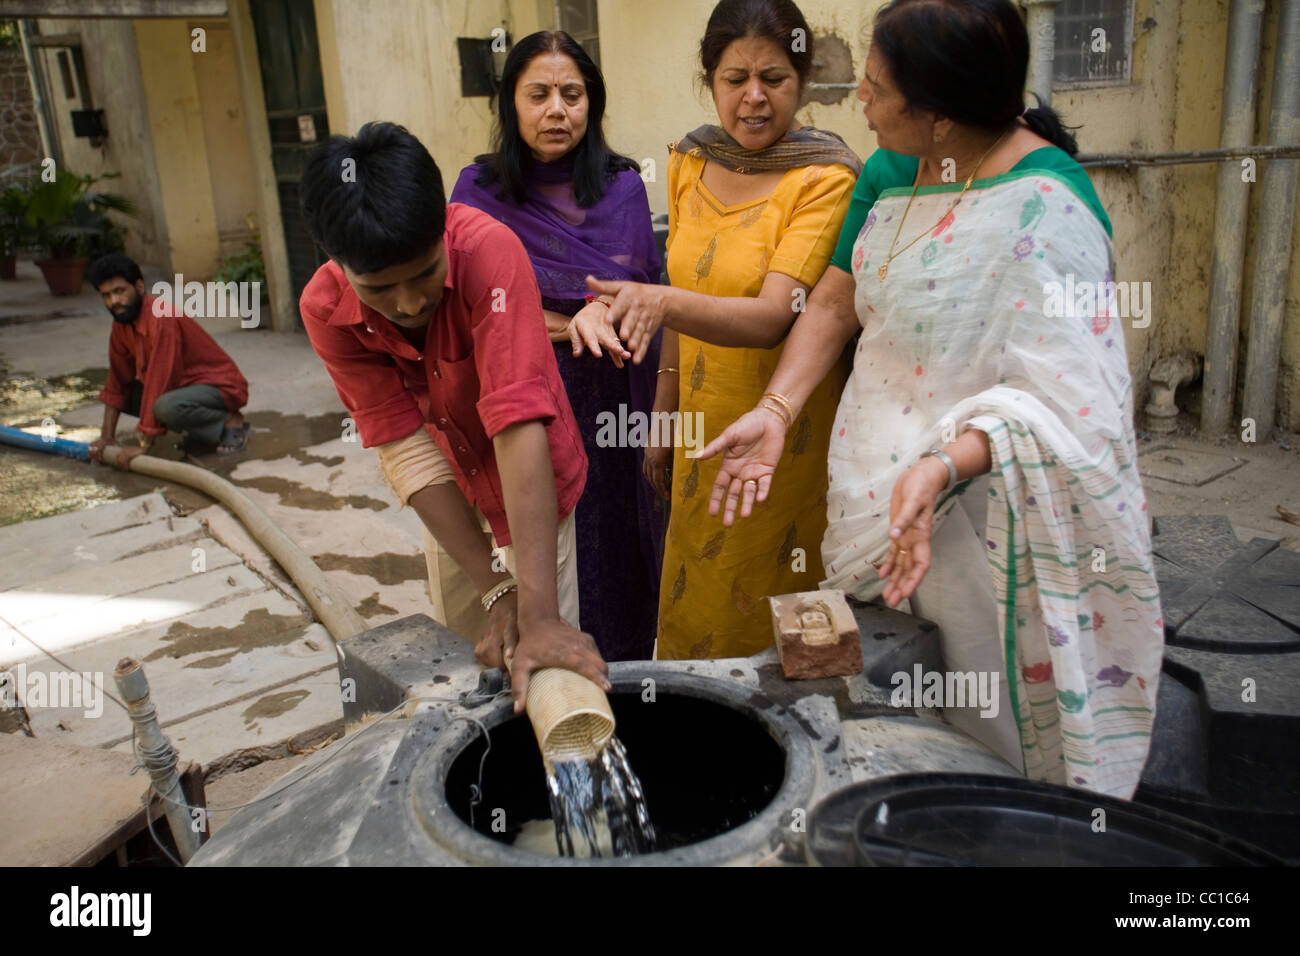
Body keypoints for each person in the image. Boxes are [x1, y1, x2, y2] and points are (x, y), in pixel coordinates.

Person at [700, 0, 1162, 798]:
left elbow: (1069, 405)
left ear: (939, 118)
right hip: (869, 505)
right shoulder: (887, 173)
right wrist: (775, 411)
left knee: (987, 733)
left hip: (987, 523)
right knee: (890, 717)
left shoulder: (1046, 202)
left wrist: (944, 465)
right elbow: (837, 304)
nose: (860, 102)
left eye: (876, 88)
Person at [580, 0, 860, 660]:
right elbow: (682, 298)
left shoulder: (824, 177)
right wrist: (663, 415)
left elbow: (772, 318)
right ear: (710, 78)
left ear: (804, 81)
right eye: (736, 79)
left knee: (787, 623)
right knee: (695, 599)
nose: (754, 98)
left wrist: (660, 300)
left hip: (782, 439)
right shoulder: (690, 159)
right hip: (701, 435)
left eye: (775, 79)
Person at [297, 121, 608, 710]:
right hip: (448, 479)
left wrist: (538, 613)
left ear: (443, 225)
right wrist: (495, 590)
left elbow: (517, 424)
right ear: (338, 265)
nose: (409, 303)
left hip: (530, 476)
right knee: (472, 660)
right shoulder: (323, 307)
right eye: (380, 288)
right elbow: (403, 443)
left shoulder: (489, 252)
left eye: (424, 273)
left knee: (545, 670)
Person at [450, 31, 664, 662]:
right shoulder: (478, 191)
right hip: (522, 396)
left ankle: (620, 682)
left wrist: (602, 306)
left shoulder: (621, 185)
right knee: (542, 547)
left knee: (614, 552)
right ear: (510, 105)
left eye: (572, 95)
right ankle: (543, 672)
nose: (557, 110)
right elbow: (471, 300)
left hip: (610, 395)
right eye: (538, 94)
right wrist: (573, 324)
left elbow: (637, 286)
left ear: (591, 105)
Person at [87, 253, 250, 468]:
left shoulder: (161, 318)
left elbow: (160, 380)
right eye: (106, 295)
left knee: (163, 406)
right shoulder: (121, 324)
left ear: (139, 287)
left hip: (221, 387)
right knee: (125, 396)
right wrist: (106, 437)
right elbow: (117, 382)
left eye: (119, 291)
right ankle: (202, 427)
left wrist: (144, 444)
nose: (114, 302)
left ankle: (230, 422)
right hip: (184, 388)